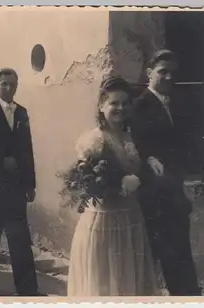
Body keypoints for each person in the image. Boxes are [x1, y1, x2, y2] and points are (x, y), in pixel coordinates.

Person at [66, 76, 162, 296]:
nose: (121, 108)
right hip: (105, 222)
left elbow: (136, 165)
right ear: (101, 106)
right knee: (107, 283)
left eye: (126, 103)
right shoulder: (95, 139)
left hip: (130, 219)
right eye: (114, 103)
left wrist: (147, 162)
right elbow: (84, 182)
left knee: (129, 281)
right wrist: (116, 183)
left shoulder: (129, 136)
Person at [130, 49, 200, 295]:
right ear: (149, 73)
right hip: (152, 199)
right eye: (163, 72)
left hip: (174, 195)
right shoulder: (138, 107)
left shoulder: (180, 104)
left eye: (173, 73)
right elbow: (135, 149)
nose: (169, 77)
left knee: (180, 260)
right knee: (155, 262)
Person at [0, 68, 43, 296]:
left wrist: (30, 183)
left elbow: (28, 148)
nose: (9, 88)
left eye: (13, 84)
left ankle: (28, 290)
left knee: (20, 239)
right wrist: (2, 160)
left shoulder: (21, 112)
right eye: (4, 84)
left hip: (15, 187)